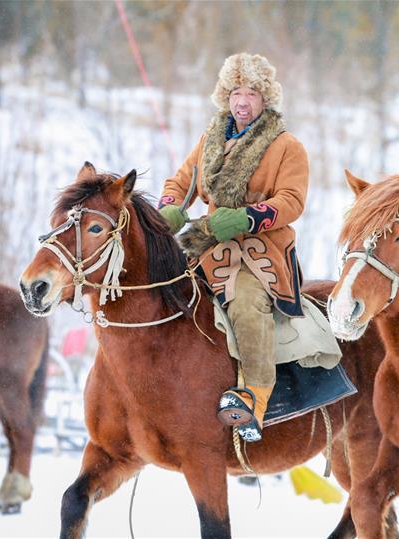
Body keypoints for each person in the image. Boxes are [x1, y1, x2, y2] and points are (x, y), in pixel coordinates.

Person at [159, 52, 308, 443]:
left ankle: (255, 398)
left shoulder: (286, 146)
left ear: (265, 99)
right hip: (207, 244)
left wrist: (249, 217)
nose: (242, 101)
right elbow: (180, 182)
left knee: (244, 301)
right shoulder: (210, 139)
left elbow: (292, 200)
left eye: (252, 93)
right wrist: (170, 208)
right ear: (225, 96)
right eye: (236, 92)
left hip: (259, 251)